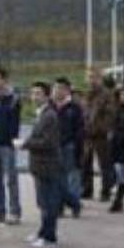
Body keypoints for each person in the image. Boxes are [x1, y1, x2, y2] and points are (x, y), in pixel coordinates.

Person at [20, 82, 62, 248]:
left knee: (48, 202)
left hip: (47, 165)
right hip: (39, 164)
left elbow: (47, 142)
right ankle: (42, 231)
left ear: (46, 96)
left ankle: (49, 236)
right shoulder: (41, 114)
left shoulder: (49, 116)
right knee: (42, 201)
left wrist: (26, 143)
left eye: (38, 93)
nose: (34, 97)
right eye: (32, 93)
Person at [0, 69, 22, 224]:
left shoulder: (13, 99)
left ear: (5, 80)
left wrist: (13, 140)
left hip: (8, 144)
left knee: (11, 179)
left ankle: (14, 211)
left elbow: (15, 123)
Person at [82, 72, 117, 201]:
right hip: (87, 135)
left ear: (100, 79)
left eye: (94, 77)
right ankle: (86, 189)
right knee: (86, 163)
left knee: (104, 164)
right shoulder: (87, 94)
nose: (91, 80)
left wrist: (101, 128)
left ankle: (105, 191)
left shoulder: (107, 94)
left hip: (100, 135)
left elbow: (110, 114)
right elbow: (84, 112)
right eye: (89, 77)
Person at [52, 78, 85, 218]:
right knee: (59, 179)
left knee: (72, 177)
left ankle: (74, 204)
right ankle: (60, 206)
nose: (57, 91)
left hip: (69, 146)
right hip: (54, 146)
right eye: (55, 88)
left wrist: (76, 145)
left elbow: (80, 129)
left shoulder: (74, 108)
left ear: (67, 90)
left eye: (61, 88)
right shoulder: (50, 106)